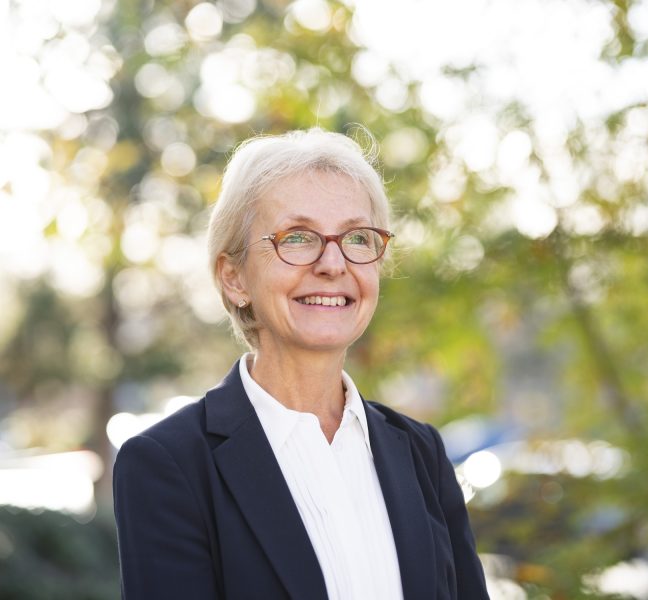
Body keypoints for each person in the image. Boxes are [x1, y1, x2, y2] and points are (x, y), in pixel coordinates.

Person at [113, 127, 490, 600]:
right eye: (297, 237)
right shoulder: (167, 465)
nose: (333, 263)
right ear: (234, 278)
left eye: (357, 237)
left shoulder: (421, 455)